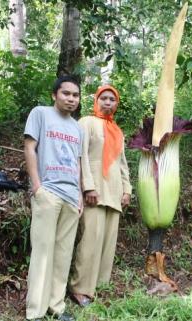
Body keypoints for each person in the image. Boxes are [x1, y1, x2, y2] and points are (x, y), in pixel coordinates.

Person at [24, 76, 83, 321]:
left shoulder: (77, 127)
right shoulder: (40, 114)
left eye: (75, 95)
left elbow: (78, 162)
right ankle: (35, 311)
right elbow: (29, 148)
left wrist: (79, 195)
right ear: (54, 94)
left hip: (71, 197)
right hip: (48, 192)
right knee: (43, 252)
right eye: (66, 93)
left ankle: (56, 307)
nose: (71, 98)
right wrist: (37, 187)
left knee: (63, 255)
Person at [69, 85, 132, 305]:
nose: (107, 102)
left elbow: (122, 163)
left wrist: (127, 189)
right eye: (103, 98)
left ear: (116, 103)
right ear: (96, 101)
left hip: (113, 191)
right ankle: (80, 288)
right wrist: (88, 186)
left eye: (112, 99)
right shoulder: (86, 122)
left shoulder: (116, 129)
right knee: (90, 240)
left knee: (107, 242)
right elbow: (81, 156)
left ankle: (99, 287)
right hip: (94, 190)